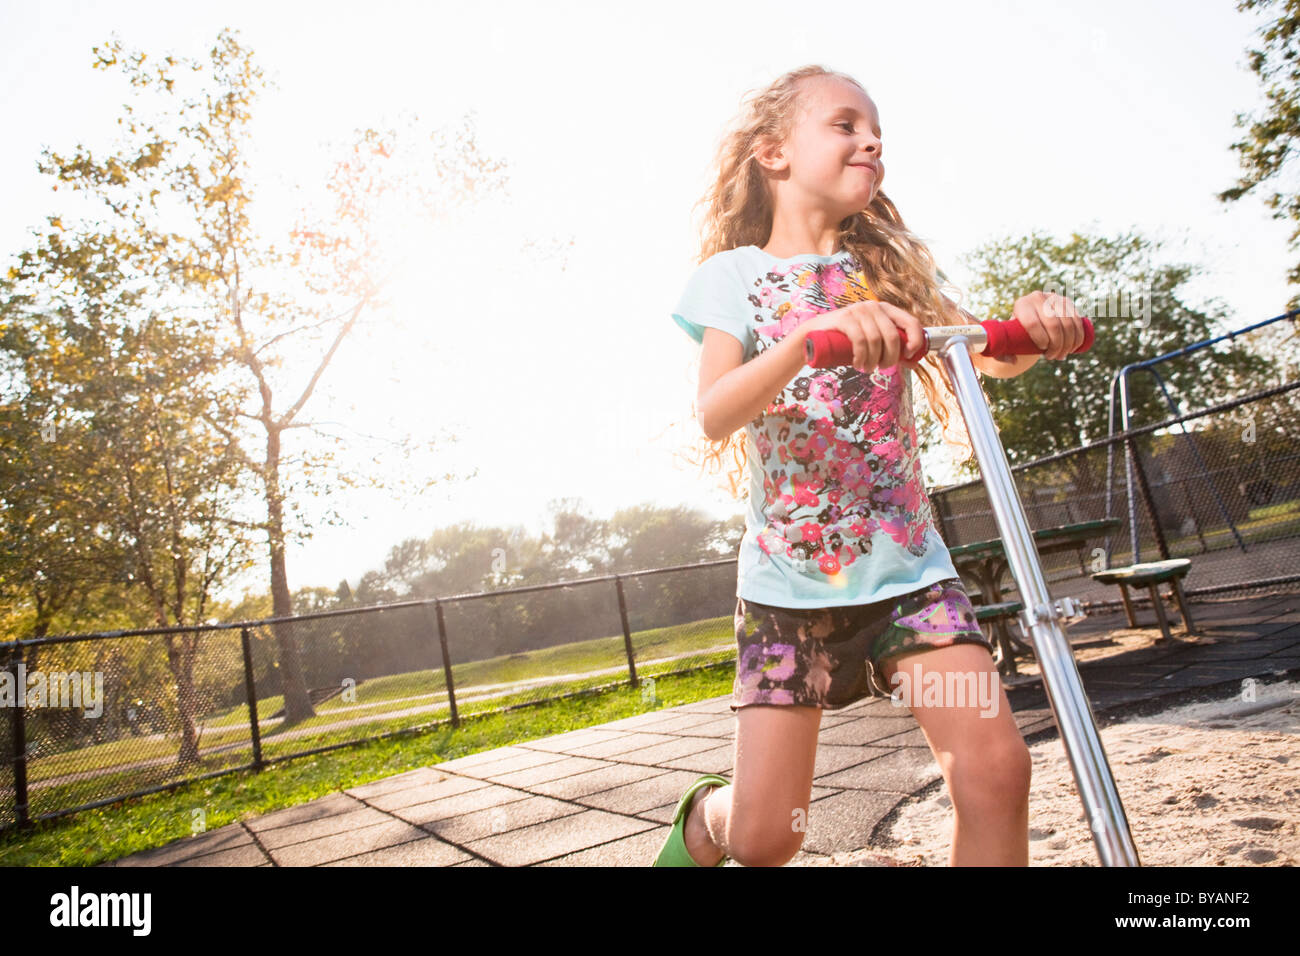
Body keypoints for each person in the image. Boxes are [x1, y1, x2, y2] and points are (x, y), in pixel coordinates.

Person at [653, 65, 1089, 868]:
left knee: (996, 772)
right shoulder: (734, 278)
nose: (871, 140)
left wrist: (1035, 325)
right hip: (791, 596)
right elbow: (716, 410)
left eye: (875, 129)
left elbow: (986, 354)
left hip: (909, 582)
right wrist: (803, 339)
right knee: (767, 840)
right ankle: (707, 819)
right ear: (773, 153)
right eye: (845, 124)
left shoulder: (885, 275)